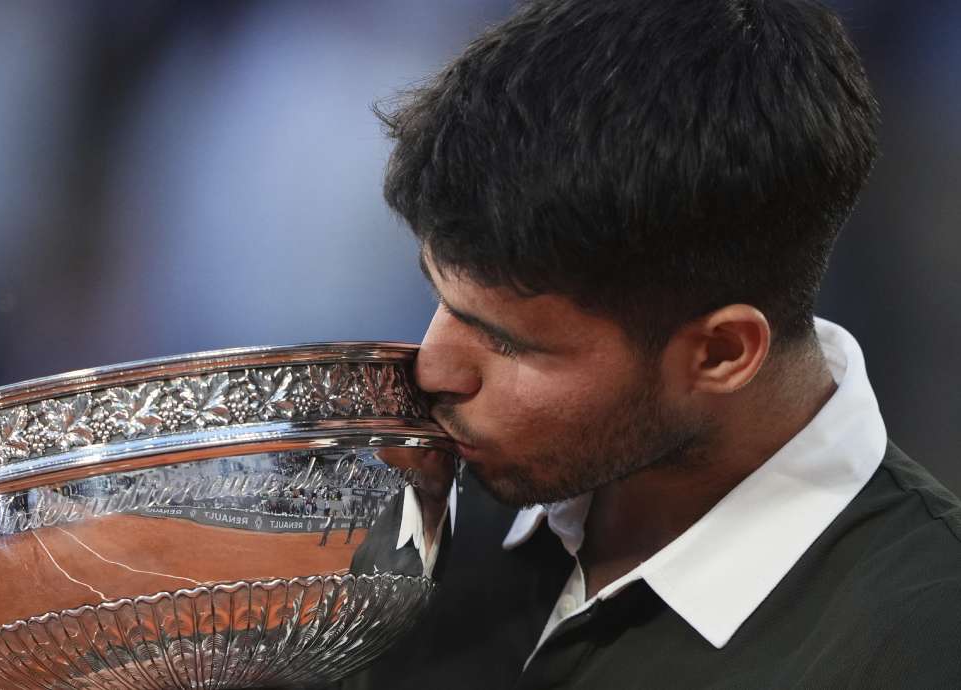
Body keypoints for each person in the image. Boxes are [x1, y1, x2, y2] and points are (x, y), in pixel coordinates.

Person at [337, 0, 961, 688]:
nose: (432, 370)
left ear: (721, 353)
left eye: (510, 342)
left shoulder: (925, 641)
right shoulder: (436, 504)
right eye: (441, 298)